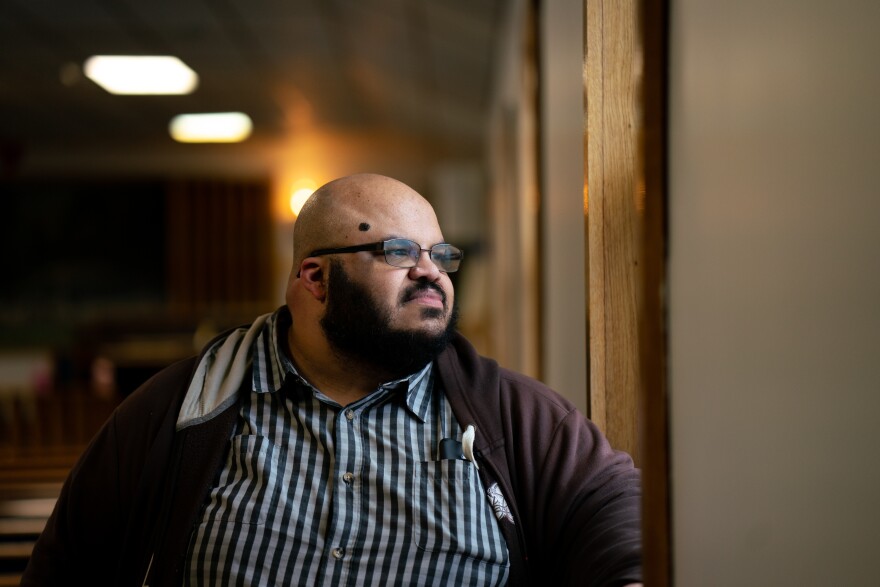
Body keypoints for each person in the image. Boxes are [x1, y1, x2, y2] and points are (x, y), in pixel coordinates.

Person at [22, 173, 642, 586]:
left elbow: (615, 513)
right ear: (315, 279)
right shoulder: (176, 412)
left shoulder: (513, 417)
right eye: (400, 252)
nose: (434, 274)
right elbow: (65, 568)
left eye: (441, 254)